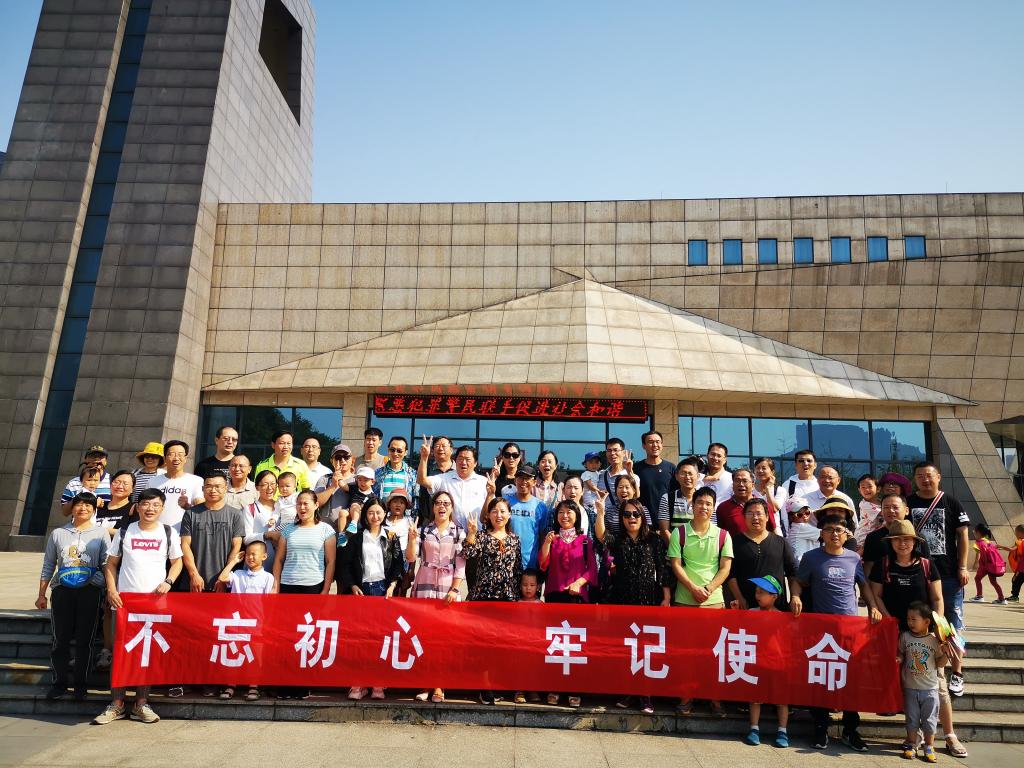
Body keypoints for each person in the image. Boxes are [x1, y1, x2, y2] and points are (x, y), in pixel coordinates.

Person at [869, 517, 966, 760]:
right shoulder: (883, 565)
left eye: (907, 539)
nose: (902, 544)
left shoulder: (926, 565)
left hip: (926, 634)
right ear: (891, 542)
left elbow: (937, 599)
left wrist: (937, 628)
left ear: (915, 542)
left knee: (938, 686)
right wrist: (890, 621)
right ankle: (915, 737)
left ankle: (950, 735)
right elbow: (876, 595)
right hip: (897, 634)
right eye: (897, 540)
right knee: (908, 686)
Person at [93, 488, 183, 725]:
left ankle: (141, 704)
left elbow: (177, 562)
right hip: (125, 603)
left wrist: (168, 582)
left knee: (147, 654)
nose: (150, 509)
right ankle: (116, 704)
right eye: (146, 504)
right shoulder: (125, 531)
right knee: (121, 653)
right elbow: (111, 564)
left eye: (155, 505)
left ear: (162, 508)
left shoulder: (168, 532)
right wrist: (112, 590)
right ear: (138, 507)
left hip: (154, 603)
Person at [793, 513, 881, 752]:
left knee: (850, 679)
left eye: (839, 530)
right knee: (822, 678)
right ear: (821, 534)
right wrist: (795, 596)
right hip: (822, 631)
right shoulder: (811, 558)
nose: (834, 534)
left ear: (846, 535)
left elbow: (863, 585)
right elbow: (799, 581)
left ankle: (850, 730)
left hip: (849, 629)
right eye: (829, 530)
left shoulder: (854, 558)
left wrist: (873, 607)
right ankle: (821, 727)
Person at [594, 498, 668, 714]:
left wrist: (666, 597)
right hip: (622, 601)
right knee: (626, 649)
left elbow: (663, 569)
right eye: (627, 515)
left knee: (646, 649)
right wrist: (600, 513)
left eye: (635, 514)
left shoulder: (654, 539)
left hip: (648, 600)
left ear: (643, 516)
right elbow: (601, 536)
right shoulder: (619, 540)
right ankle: (627, 692)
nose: (631, 518)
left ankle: (645, 695)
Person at [36, 492, 111, 701]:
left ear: (94, 510)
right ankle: (59, 683)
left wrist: (108, 589)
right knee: (60, 639)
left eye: (88, 506)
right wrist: (41, 594)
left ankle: (80, 685)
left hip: (90, 590)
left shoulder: (101, 533)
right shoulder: (58, 533)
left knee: (85, 640)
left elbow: (107, 564)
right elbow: (49, 564)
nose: (83, 508)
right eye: (79, 504)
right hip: (62, 590)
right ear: (72, 508)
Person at [907, 462, 970, 700]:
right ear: (914, 479)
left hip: (948, 574)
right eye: (920, 476)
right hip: (919, 574)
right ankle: (926, 668)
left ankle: (957, 672)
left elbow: (963, 536)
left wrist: (962, 566)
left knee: (952, 623)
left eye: (929, 475)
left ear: (939, 477)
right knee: (920, 622)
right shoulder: (908, 503)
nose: (925, 479)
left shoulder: (951, 502)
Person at [667, 486, 732, 717]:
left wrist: (708, 589)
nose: (703, 507)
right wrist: (693, 588)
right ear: (691, 505)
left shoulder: (723, 535)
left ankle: (715, 699)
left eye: (708, 504)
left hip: (713, 602)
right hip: (685, 600)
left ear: (713, 508)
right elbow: (675, 565)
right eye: (700, 502)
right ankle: (686, 698)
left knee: (714, 654)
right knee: (686, 653)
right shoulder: (679, 533)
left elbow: (725, 568)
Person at [272, 489, 335, 699]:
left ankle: (303, 682)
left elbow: (330, 562)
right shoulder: (288, 530)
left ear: (316, 505)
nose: (302, 507)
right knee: (287, 636)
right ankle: (285, 683)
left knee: (307, 636)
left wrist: (325, 589)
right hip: (288, 586)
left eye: (306, 503)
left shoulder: (326, 530)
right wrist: (276, 585)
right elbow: (279, 560)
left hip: (313, 586)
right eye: (299, 503)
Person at [342, 499, 403, 702]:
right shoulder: (357, 538)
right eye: (370, 512)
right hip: (362, 590)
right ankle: (358, 682)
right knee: (360, 638)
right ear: (365, 515)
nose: (375, 516)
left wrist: (392, 586)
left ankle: (378, 682)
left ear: (384, 514)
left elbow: (398, 564)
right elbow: (346, 565)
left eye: (378, 512)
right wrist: (352, 585)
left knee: (380, 638)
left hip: (383, 590)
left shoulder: (391, 537)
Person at [407, 490, 465, 703]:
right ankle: (425, 682)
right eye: (438, 503)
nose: (442, 506)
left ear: (452, 508)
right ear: (433, 507)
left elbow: (460, 564)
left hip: (446, 588)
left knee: (444, 637)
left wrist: (455, 589)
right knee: (424, 636)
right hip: (424, 585)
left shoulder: (458, 532)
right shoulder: (423, 530)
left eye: (446, 503)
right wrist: (412, 539)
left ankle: (439, 684)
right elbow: (411, 557)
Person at [539, 500, 598, 708]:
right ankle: (554, 687)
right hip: (555, 596)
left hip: (577, 597)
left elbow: (592, 570)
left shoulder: (585, 541)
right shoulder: (552, 539)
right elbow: (543, 564)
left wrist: (579, 583)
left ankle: (575, 688)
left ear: (577, 516)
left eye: (569, 512)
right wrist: (547, 544)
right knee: (555, 644)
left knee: (575, 645)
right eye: (561, 512)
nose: (565, 516)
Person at [465, 496, 522, 705]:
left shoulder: (515, 540)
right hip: (484, 598)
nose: (499, 515)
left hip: (507, 598)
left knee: (501, 645)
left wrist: (517, 598)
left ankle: (497, 684)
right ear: (488, 515)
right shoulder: (481, 536)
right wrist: (471, 533)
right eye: (495, 511)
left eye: (503, 511)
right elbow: (468, 553)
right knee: (483, 645)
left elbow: (517, 570)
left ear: (509, 515)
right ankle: (484, 687)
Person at [218, 540, 276, 701]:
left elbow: (268, 602)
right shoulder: (238, 574)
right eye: (248, 554)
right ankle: (231, 685)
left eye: (254, 554)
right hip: (236, 622)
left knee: (255, 655)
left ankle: (253, 686)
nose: (250, 557)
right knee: (234, 652)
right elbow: (223, 577)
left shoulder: (268, 577)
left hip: (256, 622)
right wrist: (234, 561)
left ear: (264, 556)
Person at [726, 498, 800, 613]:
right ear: (744, 517)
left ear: (767, 517)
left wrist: (795, 596)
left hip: (776, 609)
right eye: (750, 513)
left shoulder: (781, 542)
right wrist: (739, 598)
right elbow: (731, 575)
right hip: (746, 607)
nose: (755, 517)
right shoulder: (734, 542)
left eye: (759, 513)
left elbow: (792, 573)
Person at [898, 602, 949, 764]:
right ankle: (912, 744)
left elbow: (940, 663)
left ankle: (929, 746)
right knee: (911, 719)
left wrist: (946, 654)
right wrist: (899, 658)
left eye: (914, 619)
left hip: (930, 689)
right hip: (910, 687)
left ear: (927, 622)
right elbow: (901, 652)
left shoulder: (934, 640)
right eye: (908, 619)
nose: (910, 622)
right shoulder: (905, 637)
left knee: (930, 720)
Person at [743, 575, 790, 748]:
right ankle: (754, 728)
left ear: (774, 596)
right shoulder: (751, 613)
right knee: (755, 697)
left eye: (762, 592)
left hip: (778, 663)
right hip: (757, 661)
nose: (758, 595)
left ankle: (782, 730)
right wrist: (735, 613)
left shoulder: (782, 617)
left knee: (782, 699)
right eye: (756, 591)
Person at [94, 470, 135, 670]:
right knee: (93, 609)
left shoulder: (132, 509)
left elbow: (128, 532)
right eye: (117, 482)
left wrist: (100, 530)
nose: (120, 486)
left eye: (125, 483)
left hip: (116, 565)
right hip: (91, 563)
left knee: (110, 608)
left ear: (132, 489)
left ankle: (108, 650)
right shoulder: (98, 507)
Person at [178, 474, 244, 593]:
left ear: (226, 488)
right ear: (203, 489)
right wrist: (194, 574)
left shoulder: (236, 515)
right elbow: (185, 545)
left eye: (218, 486)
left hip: (222, 582)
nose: (213, 490)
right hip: (195, 582)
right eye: (209, 486)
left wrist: (224, 577)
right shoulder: (190, 513)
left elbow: (236, 547)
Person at [417, 439, 489, 530]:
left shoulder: (484, 482)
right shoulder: (444, 478)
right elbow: (422, 480)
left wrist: (491, 494)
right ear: (455, 460)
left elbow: (490, 509)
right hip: (452, 535)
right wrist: (424, 457)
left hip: (477, 532)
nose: (463, 462)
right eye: (460, 459)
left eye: (467, 459)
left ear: (475, 463)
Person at [150, 440, 204, 531]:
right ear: (165, 458)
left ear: (185, 458)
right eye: (171, 454)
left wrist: (187, 506)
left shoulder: (196, 480)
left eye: (180, 455)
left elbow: (201, 507)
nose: (176, 458)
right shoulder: (152, 481)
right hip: (156, 532)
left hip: (184, 533)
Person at [657, 456, 700, 541]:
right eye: (683, 473)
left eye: (690, 473)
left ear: (698, 476)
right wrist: (676, 548)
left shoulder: (705, 499)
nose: (687, 477)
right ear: (676, 476)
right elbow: (664, 530)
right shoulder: (667, 498)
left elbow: (711, 527)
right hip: (674, 547)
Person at [635, 430, 675, 519]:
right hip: (643, 519)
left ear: (662, 445)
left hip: (667, 519)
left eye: (658, 442)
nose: (655, 445)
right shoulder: (636, 468)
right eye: (650, 442)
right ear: (643, 446)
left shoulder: (671, 468)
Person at [244, 470, 280, 564]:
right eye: (264, 484)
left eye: (273, 484)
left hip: (282, 561)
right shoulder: (250, 508)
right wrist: (266, 535)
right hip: (258, 563)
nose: (270, 488)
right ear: (257, 487)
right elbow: (246, 539)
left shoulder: (282, 507)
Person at [417, 435, 454, 524]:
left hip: (455, 520)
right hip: (430, 521)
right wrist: (424, 457)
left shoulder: (459, 471)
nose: (440, 449)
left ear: (451, 450)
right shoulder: (426, 470)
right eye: (437, 446)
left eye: (444, 446)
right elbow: (421, 482)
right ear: (432, 451)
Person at [374, 436, 417, 506]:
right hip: (382, 512)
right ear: (388, 450)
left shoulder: (412, 474)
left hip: (405, 513)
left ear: (405, 452)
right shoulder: (378, 473)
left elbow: (415, 499)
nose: (395, 453)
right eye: (392, 450)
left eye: (399, 451)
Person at [969, 523, 1007, 604]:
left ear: (978, 532)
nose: (973, 532)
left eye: (974, 531)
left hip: (984, 566)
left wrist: (975, 564)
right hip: (992, 565)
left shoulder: (978, 542)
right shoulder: (987, 541)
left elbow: (978, 554)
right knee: (994, 582)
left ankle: (979, 596)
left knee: (977, 579)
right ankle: (1002, 599)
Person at [713, 467, 755, 538]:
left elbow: (772, 531)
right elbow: (721, 535)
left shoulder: (763, 506)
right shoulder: (723, 508)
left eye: (745, 481)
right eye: (737, 480)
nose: (741, 484)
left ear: (753, 485)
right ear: (732, 485)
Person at [752, 457, 786, 536]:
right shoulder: (750, 489)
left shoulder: (779, 490)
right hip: (754, 531)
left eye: (764, 468)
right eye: (757, 468)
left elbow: (774, 509)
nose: (760, 471)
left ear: (772, 472)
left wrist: (767, 489)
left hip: (774, 532)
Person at [784, 497, 819, 567]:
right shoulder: (800, 527)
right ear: (790, 517)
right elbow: (825, 533)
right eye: (799, 515)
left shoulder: (797, 526)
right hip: (801, 564)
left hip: (802, 563)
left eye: (807, 513)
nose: (804, 516)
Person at [853, 473, 880, 549]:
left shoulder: (881, 502)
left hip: (874, 536)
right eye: (863, 487)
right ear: (859, 490)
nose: (866, 490)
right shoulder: (864, 504)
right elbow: (884, 513)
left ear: (878, 488)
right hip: (862, 537)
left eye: (870, 486)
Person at [998, 524, 1024, 601]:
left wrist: (1001, 546)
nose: (1015, 534)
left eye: (1016, 532)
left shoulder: (1020, 542)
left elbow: (1011, 549)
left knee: (1015, 580)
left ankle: (1015, 596)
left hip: (1022, 567)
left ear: (1020, 533)